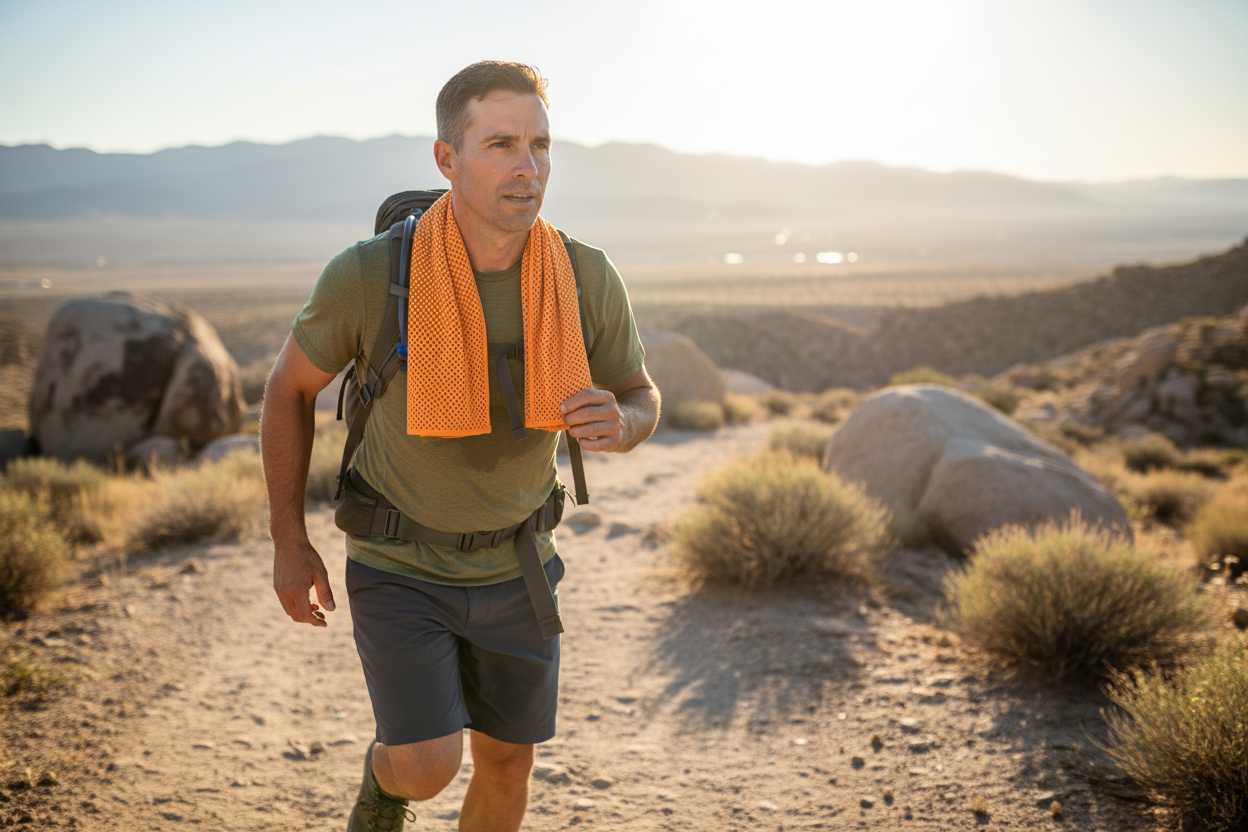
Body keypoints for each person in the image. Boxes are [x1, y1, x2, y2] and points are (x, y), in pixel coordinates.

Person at [260, 61, 660, 832]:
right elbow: (287, 391)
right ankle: (384, 790)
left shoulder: (583, 276)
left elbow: (641, 395)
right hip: (400, 563)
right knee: (426, 764)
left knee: (509, 763)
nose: (528, 166)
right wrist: (288, 540)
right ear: (447, 159)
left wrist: (626, 424)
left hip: (520, 563)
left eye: (541, 144)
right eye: (502, 143)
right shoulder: (373, 275)